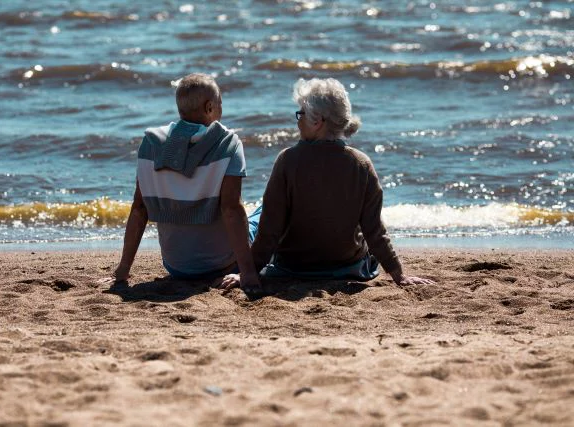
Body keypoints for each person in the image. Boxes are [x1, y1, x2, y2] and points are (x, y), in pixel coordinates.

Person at [222, 78, 433, 289]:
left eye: (301, 114)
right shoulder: (361, 164)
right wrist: (398, 274)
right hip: (348, 266)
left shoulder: (288, 160)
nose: (298, 120)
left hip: (294, 267)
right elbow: (374, 230)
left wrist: (249, 272)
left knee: (258, 216)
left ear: (317, 121)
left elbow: (270, 230)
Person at [110, 73, 260, 289]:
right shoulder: (227, 143)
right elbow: (231, 210)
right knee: (265, 210)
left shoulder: (152, 144)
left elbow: (139, 209)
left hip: (176, 265)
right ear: (210, 107)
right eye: (220, 104)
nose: (221, 109)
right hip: (224, 264)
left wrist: (122, 271)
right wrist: (247, 273)